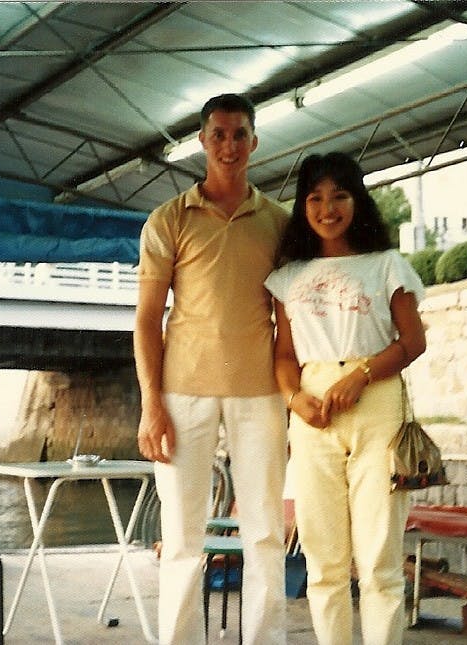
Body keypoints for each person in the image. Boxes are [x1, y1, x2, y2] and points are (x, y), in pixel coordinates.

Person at [134, 93, 288, 645]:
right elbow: (148, 319)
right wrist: (152, 405)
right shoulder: (167, 220)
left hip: (261, 395)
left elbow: (288, 319)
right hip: (182, 395)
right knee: (180, 539)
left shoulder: (279, 222)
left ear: (255, 141)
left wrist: (294, 397)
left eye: (240, 134)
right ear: (201, 141)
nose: (229, 145)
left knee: (266, 533)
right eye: (218, 134)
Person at [264, 151, 427, 645]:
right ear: (303, 206)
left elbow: (413, 341)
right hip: (311, 413)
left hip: (376, 405)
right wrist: (294, 398)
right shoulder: (289, 276)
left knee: (379, 558)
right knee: (323, 559)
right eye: (315, 197)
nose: (327, 207)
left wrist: (361, 375)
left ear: (358, 200)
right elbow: (284, 355)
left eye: (339, 195)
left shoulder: (387, 265)